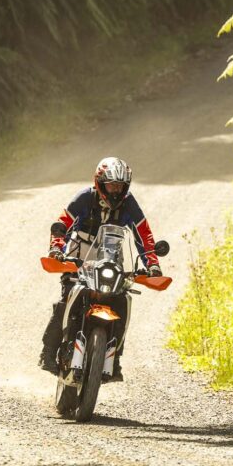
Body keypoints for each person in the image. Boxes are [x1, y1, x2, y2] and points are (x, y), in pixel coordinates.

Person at [38, 157, 162, 381]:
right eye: (111, 185)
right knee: (67, 297)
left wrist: (152, 264)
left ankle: (114, 359)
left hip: (111, 256)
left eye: (120, 186)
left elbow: (144, 234)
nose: (115, 191)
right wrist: (57, 250)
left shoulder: (129, 203)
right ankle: (47, 353)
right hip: (79, 253)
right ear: (99, 183)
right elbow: (63, 224)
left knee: (122, 298)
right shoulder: (85, 197)